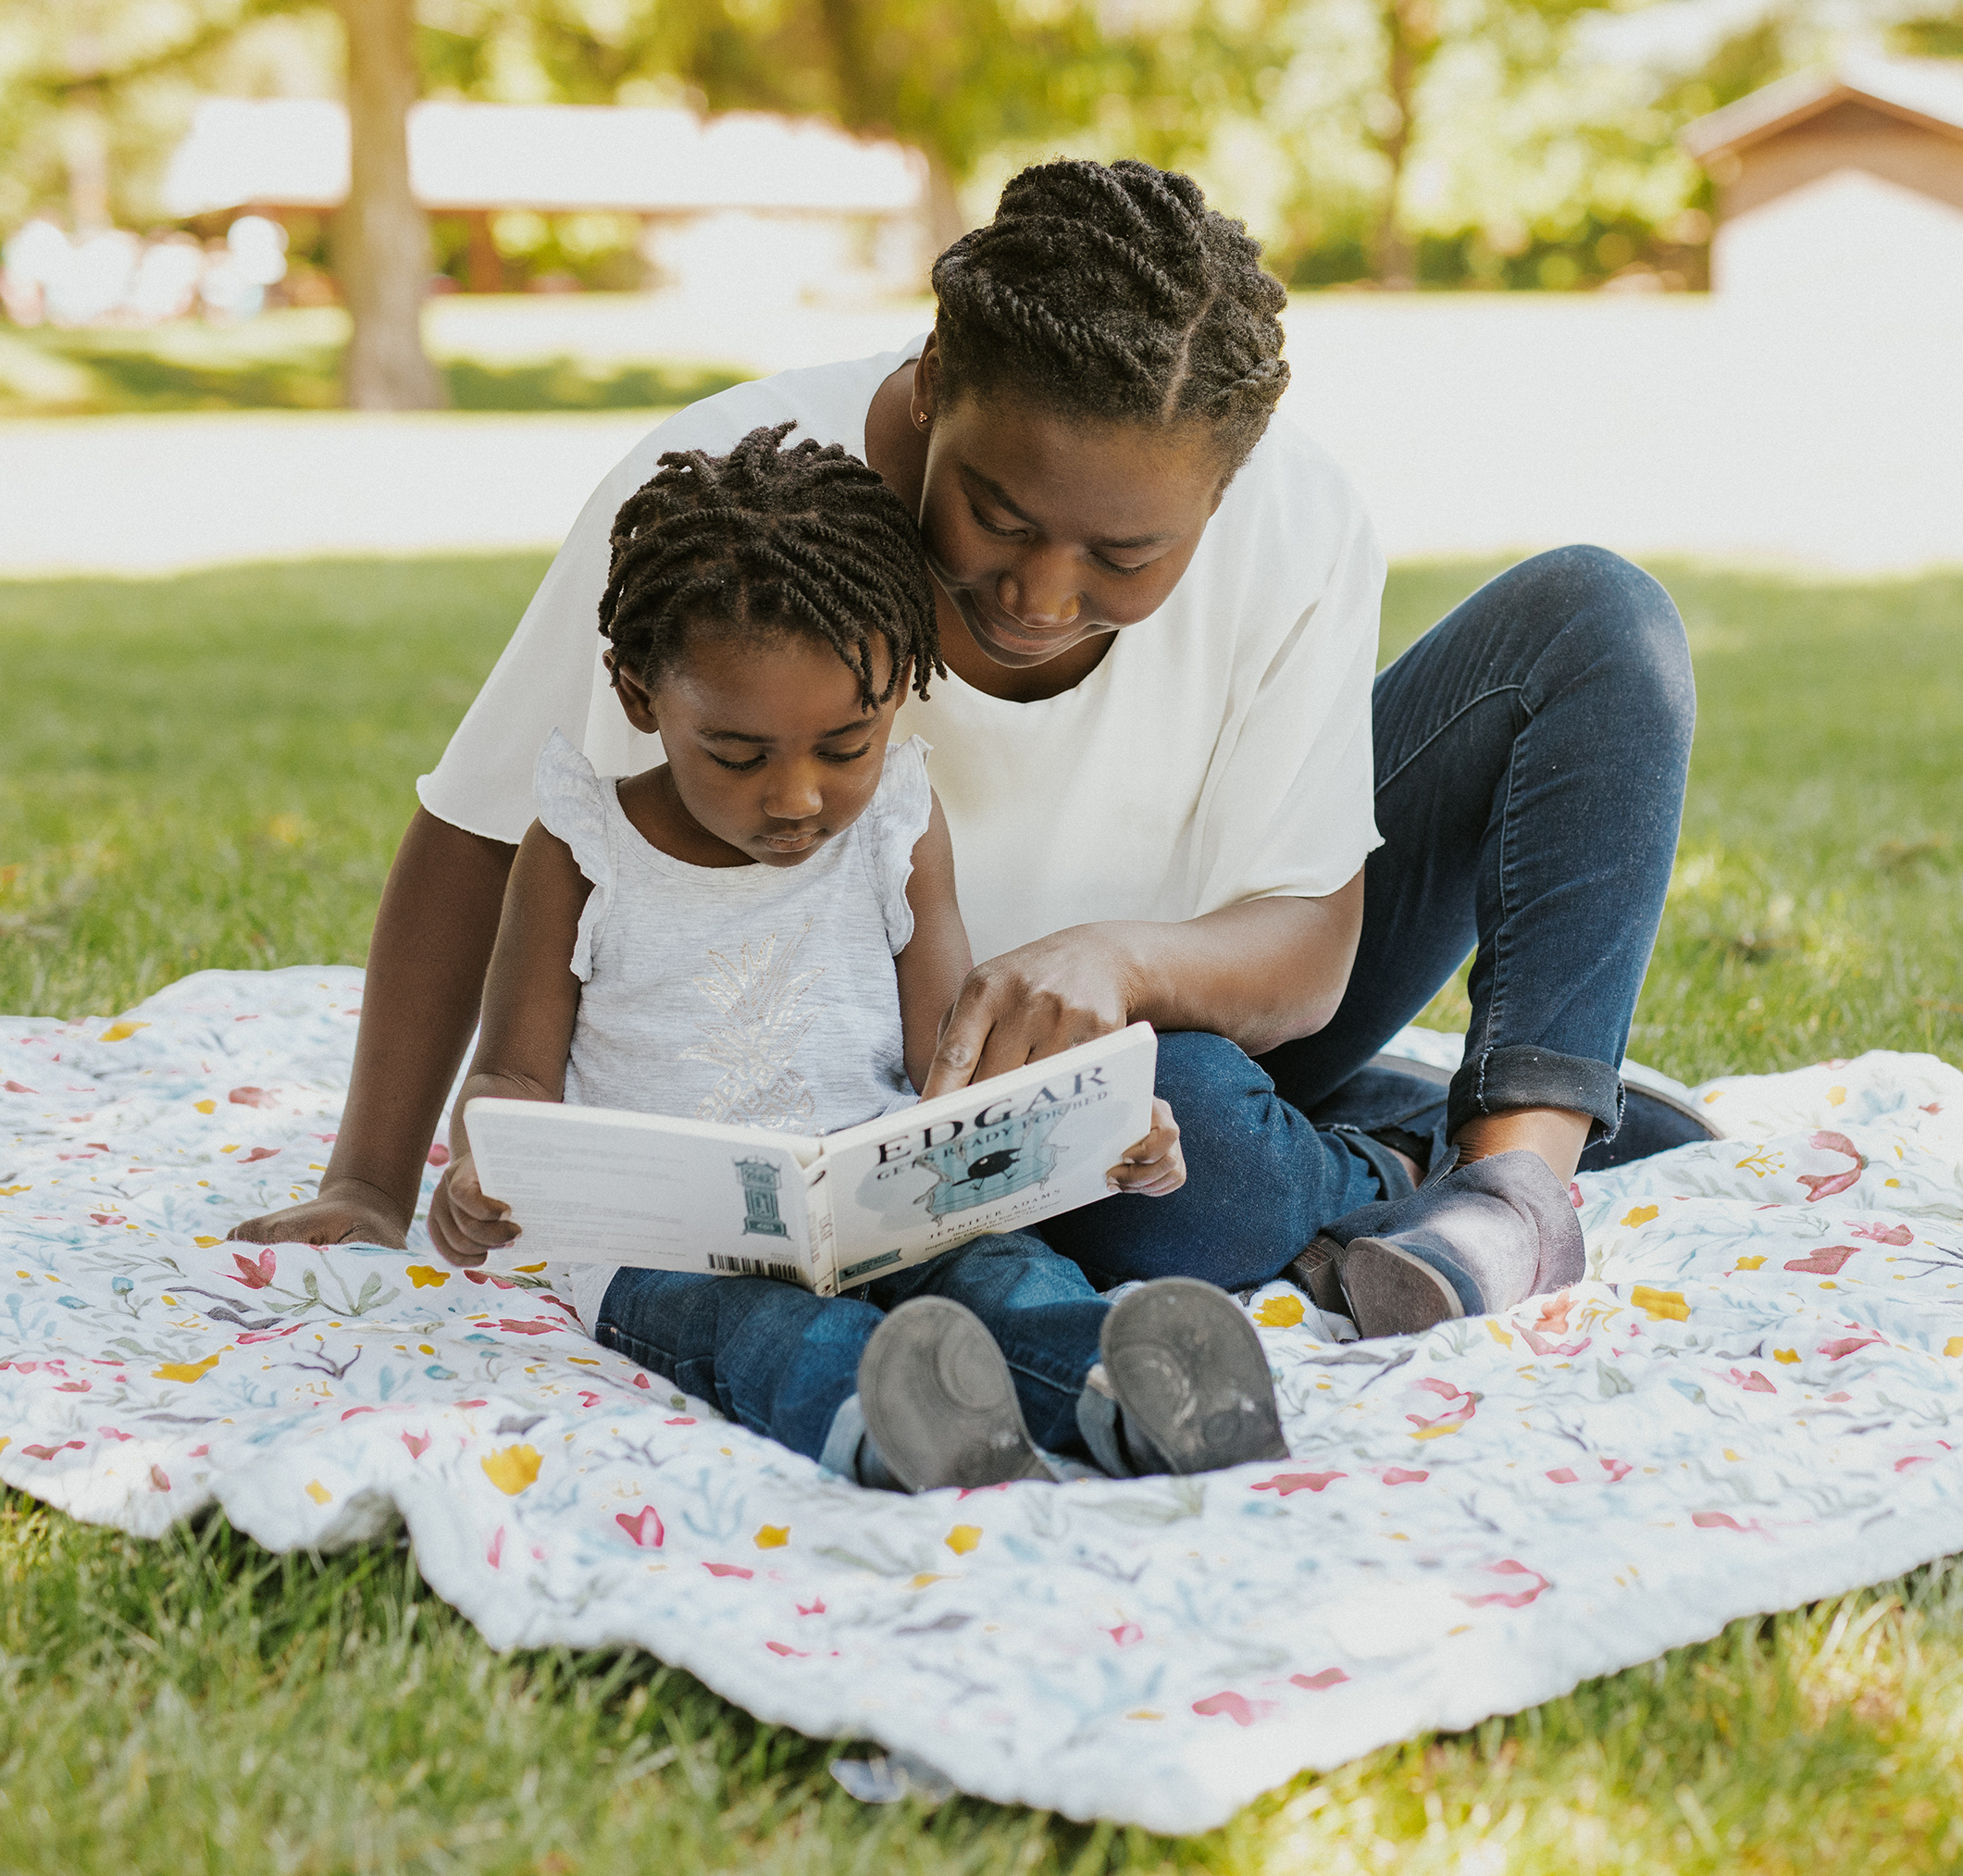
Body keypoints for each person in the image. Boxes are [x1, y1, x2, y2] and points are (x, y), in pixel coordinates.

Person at [234, 156, 1696, 1344]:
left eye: (1125, 554)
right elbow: (484, 824)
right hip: (942, 1106)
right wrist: (368, 1179)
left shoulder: (1297, 519)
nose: (1042, 594)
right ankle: (1374, 1152)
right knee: (1177, 1166)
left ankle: (1509, 1183)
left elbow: (1311, 943)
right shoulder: (738, 505)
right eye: (999, 516)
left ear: (1222, 489)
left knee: (1598, 623)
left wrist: (1117, 964)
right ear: (935, 382)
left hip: (1186, 1005)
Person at [420, 423, 1287, 1490]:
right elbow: (512, 1072)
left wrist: (1096, 1122)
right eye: (736, 755)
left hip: (890, 1199)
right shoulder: (582, 847)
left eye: (847, 747)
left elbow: (952, 1061)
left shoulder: (897, 827)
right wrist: (485, 1166)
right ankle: (894, 1421)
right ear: (642, 695)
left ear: (898, 697)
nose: (797, 799)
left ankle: (1134, 1389)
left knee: (1006, 1274)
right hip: (661, 1243)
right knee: (759, 1332)